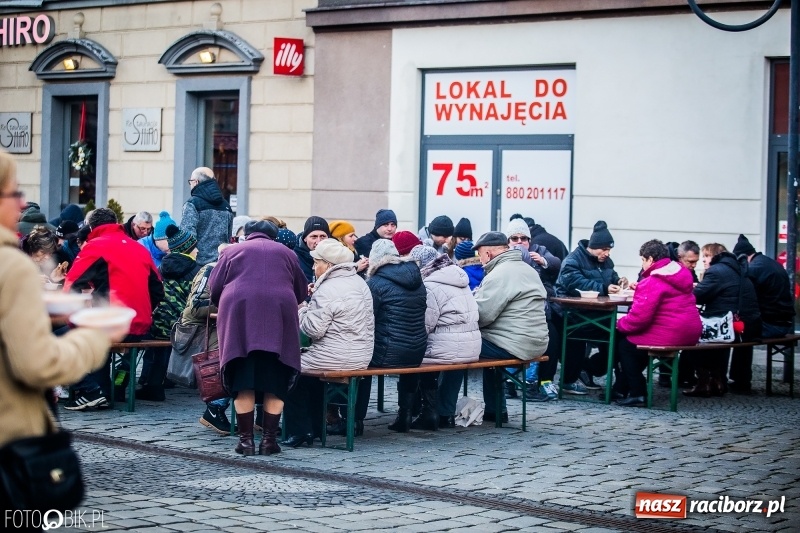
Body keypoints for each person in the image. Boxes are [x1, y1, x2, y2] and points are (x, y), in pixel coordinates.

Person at [0, 152, 129, 514]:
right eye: (13, 193)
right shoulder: (11, 265)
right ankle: (91, 391)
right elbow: (37, 365)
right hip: (9, 440)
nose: (23, 203)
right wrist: (95, 335)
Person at [209, 220, 307, 456]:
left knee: (243, 383)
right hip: (278, 326)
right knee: (276, 383)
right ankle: (269, 441)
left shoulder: (232, 251)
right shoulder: (288, 254)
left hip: (241, 326)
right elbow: (301, 292)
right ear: (274, 236)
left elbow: (214, 288)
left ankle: (246, 442)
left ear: (248, 234)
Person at [63, 208, 164, 409]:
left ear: (91, 227)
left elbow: (70, 285)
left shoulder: (95, 246)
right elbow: (158, 289)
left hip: (112, 323)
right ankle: (112, 389)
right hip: (139, 323)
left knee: (64, 336)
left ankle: (95, 391)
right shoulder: (139, 248)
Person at [282, 238, 375, 447]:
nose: (314, 267)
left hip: (336, 356)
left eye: (317, 263)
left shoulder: (329, 288)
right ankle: (314, 428)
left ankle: (299, 431)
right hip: (360, 356)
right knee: (311, 377)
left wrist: (302, 308)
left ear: (329, 266)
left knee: (289, 368)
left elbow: (312, 330)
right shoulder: (359, 282)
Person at [613, 240, 702, 406]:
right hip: (690, 331)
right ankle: (620, 389)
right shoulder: (681, 273)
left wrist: (619, 324)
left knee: (626, 345)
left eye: (643, 260)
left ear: (651, 259)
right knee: (635, 346)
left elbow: (639, 320)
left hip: (671, 332)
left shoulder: (652, 281)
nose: (642, 264)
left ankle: (637, 393)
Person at [472, 231, 549, 422]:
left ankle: (443, 411)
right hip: (537, 341)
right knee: (489, 359)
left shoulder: (500, 273)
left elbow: (482, 315)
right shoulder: (527, 269)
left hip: (515, 343)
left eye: (479, 254)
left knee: (456, 346)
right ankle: (496, 410)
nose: (479, 260)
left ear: (488, 254)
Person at [356, 239, 427, 434]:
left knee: (360, 365)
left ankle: (355, 420)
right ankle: (405, 414)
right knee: (408, 364)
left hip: (387, 352)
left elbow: (367, 318)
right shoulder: (418, 280)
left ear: (375, 260)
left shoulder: (376, 283)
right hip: (417, 352)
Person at [554, 220, 628, 394]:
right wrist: (604, 288)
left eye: (609, 250)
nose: (607, 253)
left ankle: (613, 381)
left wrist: (619, 281)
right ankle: (570, 379)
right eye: (604, 249)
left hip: (598, 313)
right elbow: (574, 282)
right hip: (573, 314)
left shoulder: (606, 261)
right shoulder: (573, 260)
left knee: (619, 338)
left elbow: (611, 277)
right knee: (577, 339)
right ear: (594, 246)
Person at [687, 243, 761, 397]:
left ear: (715, 256)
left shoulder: (716, 271)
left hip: (729, 326)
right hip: (747, 325)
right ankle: (718, 381)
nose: (703, 261)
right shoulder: (737, 268)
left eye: (706, 256)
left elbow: (696, 296)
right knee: (713, 342)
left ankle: (704, 382)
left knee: (692, 337)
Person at [136, 224, 201, 402]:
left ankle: (149, 383)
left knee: (156, 349)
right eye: (193, 247)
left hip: (155, 323)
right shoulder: (196, 270)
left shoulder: (161, 266)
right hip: (182, 327)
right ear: (186, 249)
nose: (197, 250)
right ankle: (156, 385)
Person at [418, 253, 481, 429]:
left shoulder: (430, 285)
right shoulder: (460, 278)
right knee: (455, 357)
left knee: (419, 354)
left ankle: (426, 412)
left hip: (448, 347)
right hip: (472, 346)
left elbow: (425, 325)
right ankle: (446, 413)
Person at [730, 234, 794, 393]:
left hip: (774, 325)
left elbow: (746, 297)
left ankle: (740, 383)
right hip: (783, 323)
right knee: (741, 331)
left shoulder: (755, 269)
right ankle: (738, 380)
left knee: (740, 333)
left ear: (744, 258)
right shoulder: (769, 262)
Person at [181, 166, 233, 265]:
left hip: (198, 265)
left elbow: (187, 237)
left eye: (190, 181)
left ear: (196, 182)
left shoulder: (192, 204)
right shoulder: (226, 206)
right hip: (221, 264)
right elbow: (229, 237)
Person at [295, 216, 331, 283]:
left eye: (323, 236)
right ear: (305, 238)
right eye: (314, 237)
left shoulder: (335, 256)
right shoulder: (294, 257)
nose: (318, 242)